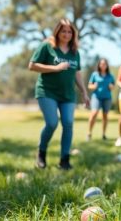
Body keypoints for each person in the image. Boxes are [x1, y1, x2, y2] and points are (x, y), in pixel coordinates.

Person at [28, 19, 89, 170]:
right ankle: (41, 153)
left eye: (69, 32)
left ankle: (64, 160)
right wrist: (55, 68)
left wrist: (84, 93)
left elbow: (77, 74)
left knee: (68, 123)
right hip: (47, 91)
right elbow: (32, 65)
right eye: (63, 31)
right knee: (52, 123)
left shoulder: (75, 52)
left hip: (67, 94)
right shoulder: (47, 46)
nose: (66, 34)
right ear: (57, 31)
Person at [87, 58, 115, 141]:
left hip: (107, 98)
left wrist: (111, 87)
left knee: (105, 116)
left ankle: (104, 134)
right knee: (94, 113)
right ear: (99, 65)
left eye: (104, 64)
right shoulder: (95, 74)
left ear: (107, 66)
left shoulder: (110, 76)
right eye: (101, 64)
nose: (103, 66)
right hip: (96, 97)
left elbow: (113, 86)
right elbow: (89, 85)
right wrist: (93, 86)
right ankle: (89, 133)